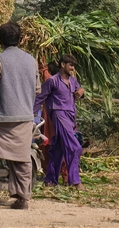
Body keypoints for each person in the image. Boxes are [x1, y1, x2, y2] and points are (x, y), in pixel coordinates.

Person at [0, 22, 42, 210]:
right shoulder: (31, 60)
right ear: (21, 39)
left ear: (0, 40)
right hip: (25, 118)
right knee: (22, 158)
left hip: (0, 119)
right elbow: (38, 89)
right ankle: (23, 197)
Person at [33, 54, 84, 189]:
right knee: (75, 147)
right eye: (70, 65)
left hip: (71, 117)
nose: (72, 68)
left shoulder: (73, 81)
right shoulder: (53, 81)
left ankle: (50, 180)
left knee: (57, 149)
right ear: (63, 65)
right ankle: (75, 181)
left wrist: (81, 92)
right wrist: (32, 115)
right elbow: (40, 98)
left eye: (74, 66)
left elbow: (80, 90)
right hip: (58, 115)